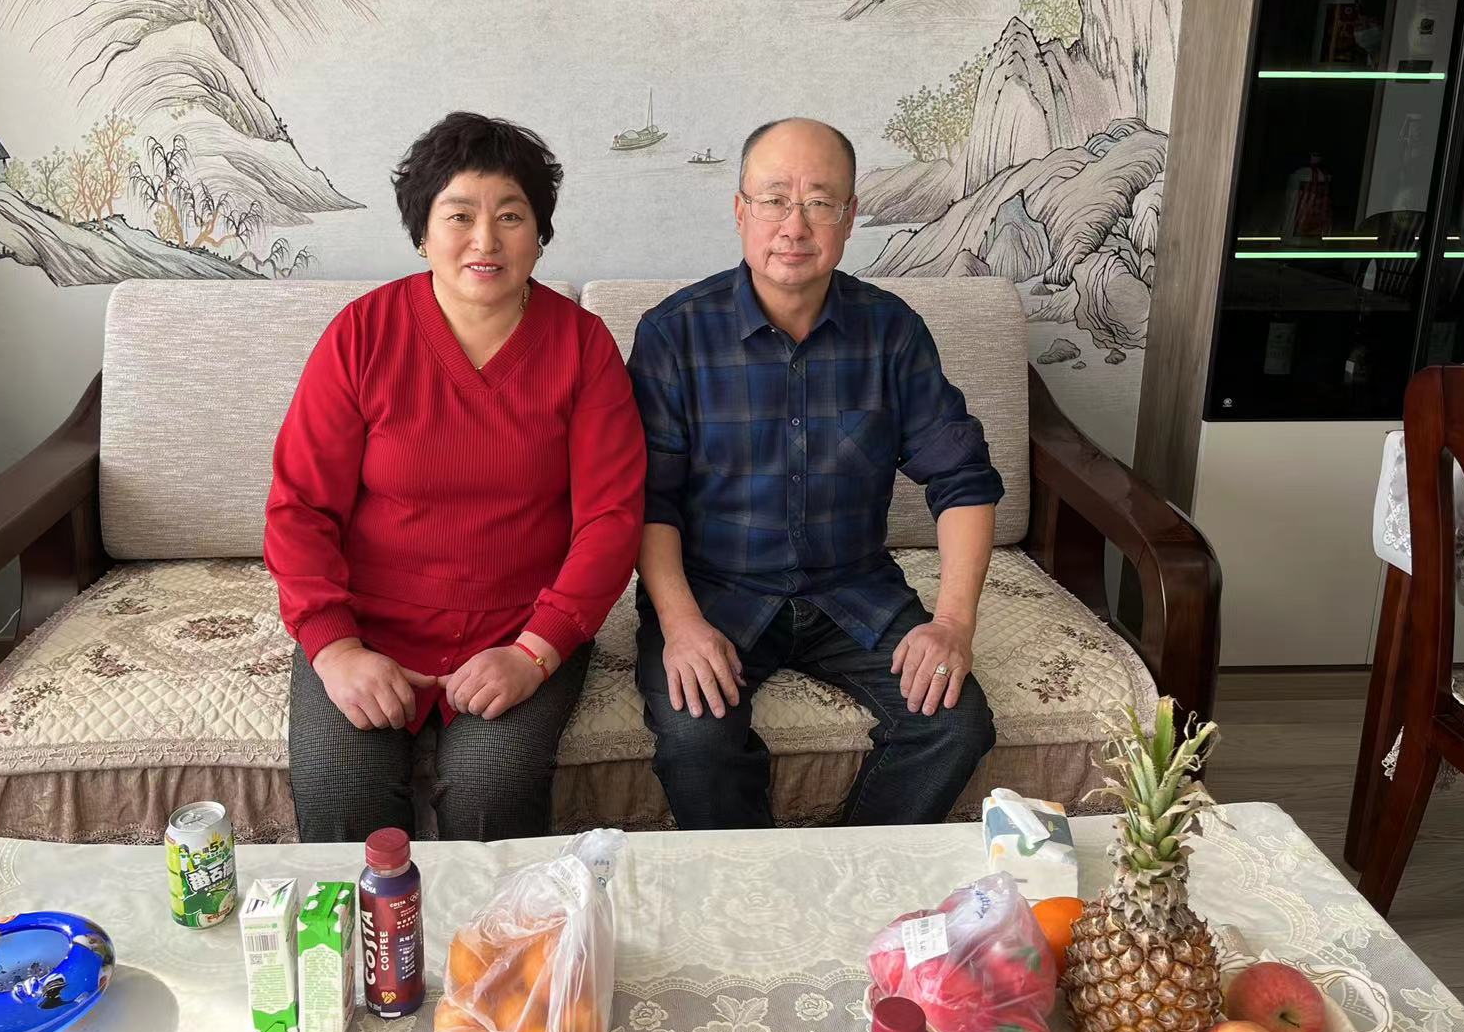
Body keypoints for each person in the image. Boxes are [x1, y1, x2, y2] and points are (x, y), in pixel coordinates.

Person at [267, 111, 645, 842]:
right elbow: (300, 507)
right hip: (369, 628)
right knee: (342, 785)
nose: (485, 240)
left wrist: (535, 652)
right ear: (423, 232)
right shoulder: (361, 335)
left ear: (540, 233)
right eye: (460, 215)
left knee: (489, 787)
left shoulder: (583, 346)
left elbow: (612, 518)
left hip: (519, 626)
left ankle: (497, 926)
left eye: (511, 215)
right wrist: (336, 648)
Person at [627, 117, 1002, 829]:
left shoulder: (891, 331)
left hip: (854, 588)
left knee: (955, 726)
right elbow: (650, 500)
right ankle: (754, 884)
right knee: (696, 742)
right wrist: (680, 623)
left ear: (850, 217)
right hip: (716, 591)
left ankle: (847, 866)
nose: (793, 226)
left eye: (820, 202)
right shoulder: (674, 334)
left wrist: (953, 623)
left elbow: (963, 479)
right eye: (773, 199)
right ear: (740, 210)